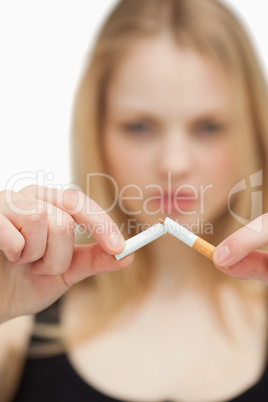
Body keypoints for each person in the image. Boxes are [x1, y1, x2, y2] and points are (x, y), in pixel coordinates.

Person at [0, 0, 268, 400]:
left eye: (208, 126)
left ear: (252, 129)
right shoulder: (15, 329)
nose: (173, 163)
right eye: (139, 126)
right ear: (98, 130)